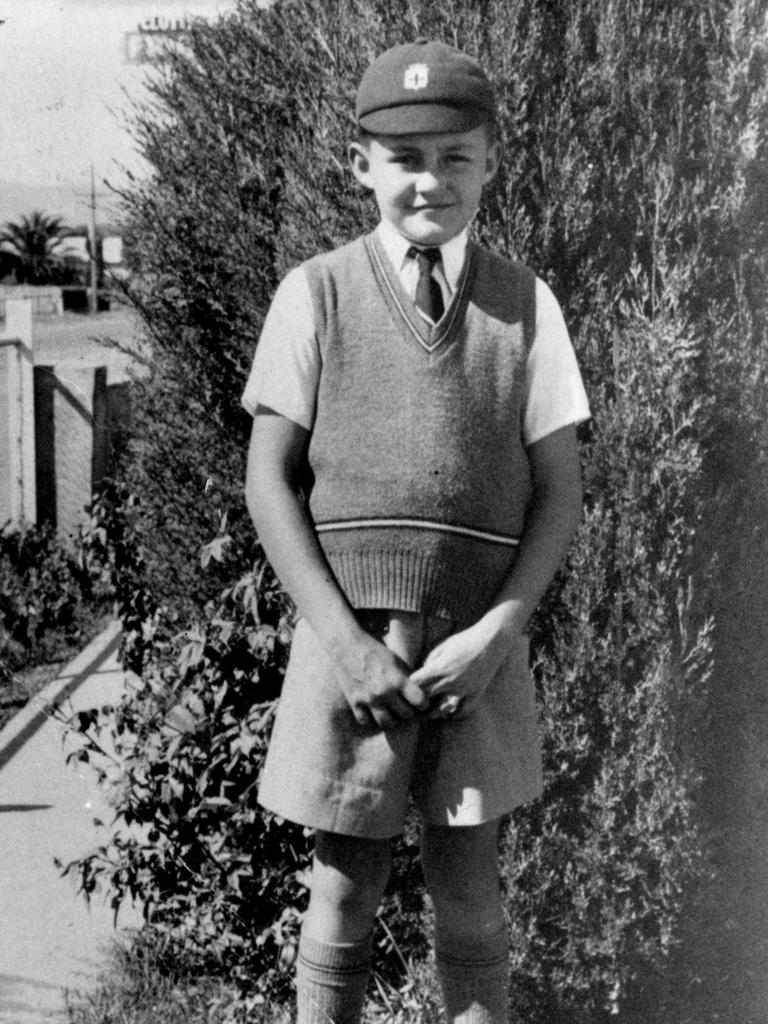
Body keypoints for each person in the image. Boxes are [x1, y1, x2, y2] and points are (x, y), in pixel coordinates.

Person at [243, 38, 590, 1024]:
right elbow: (269, 478)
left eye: (456, 156)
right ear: (362, 163)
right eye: (404, 157)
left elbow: (559, 493)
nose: (430, 180)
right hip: (353, 639)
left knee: (472, 901)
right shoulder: (316, 293)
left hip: (473, 647)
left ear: (490, 161)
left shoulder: (529, 310)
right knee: (342, 899)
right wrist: (344, 645)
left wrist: (496, 636)